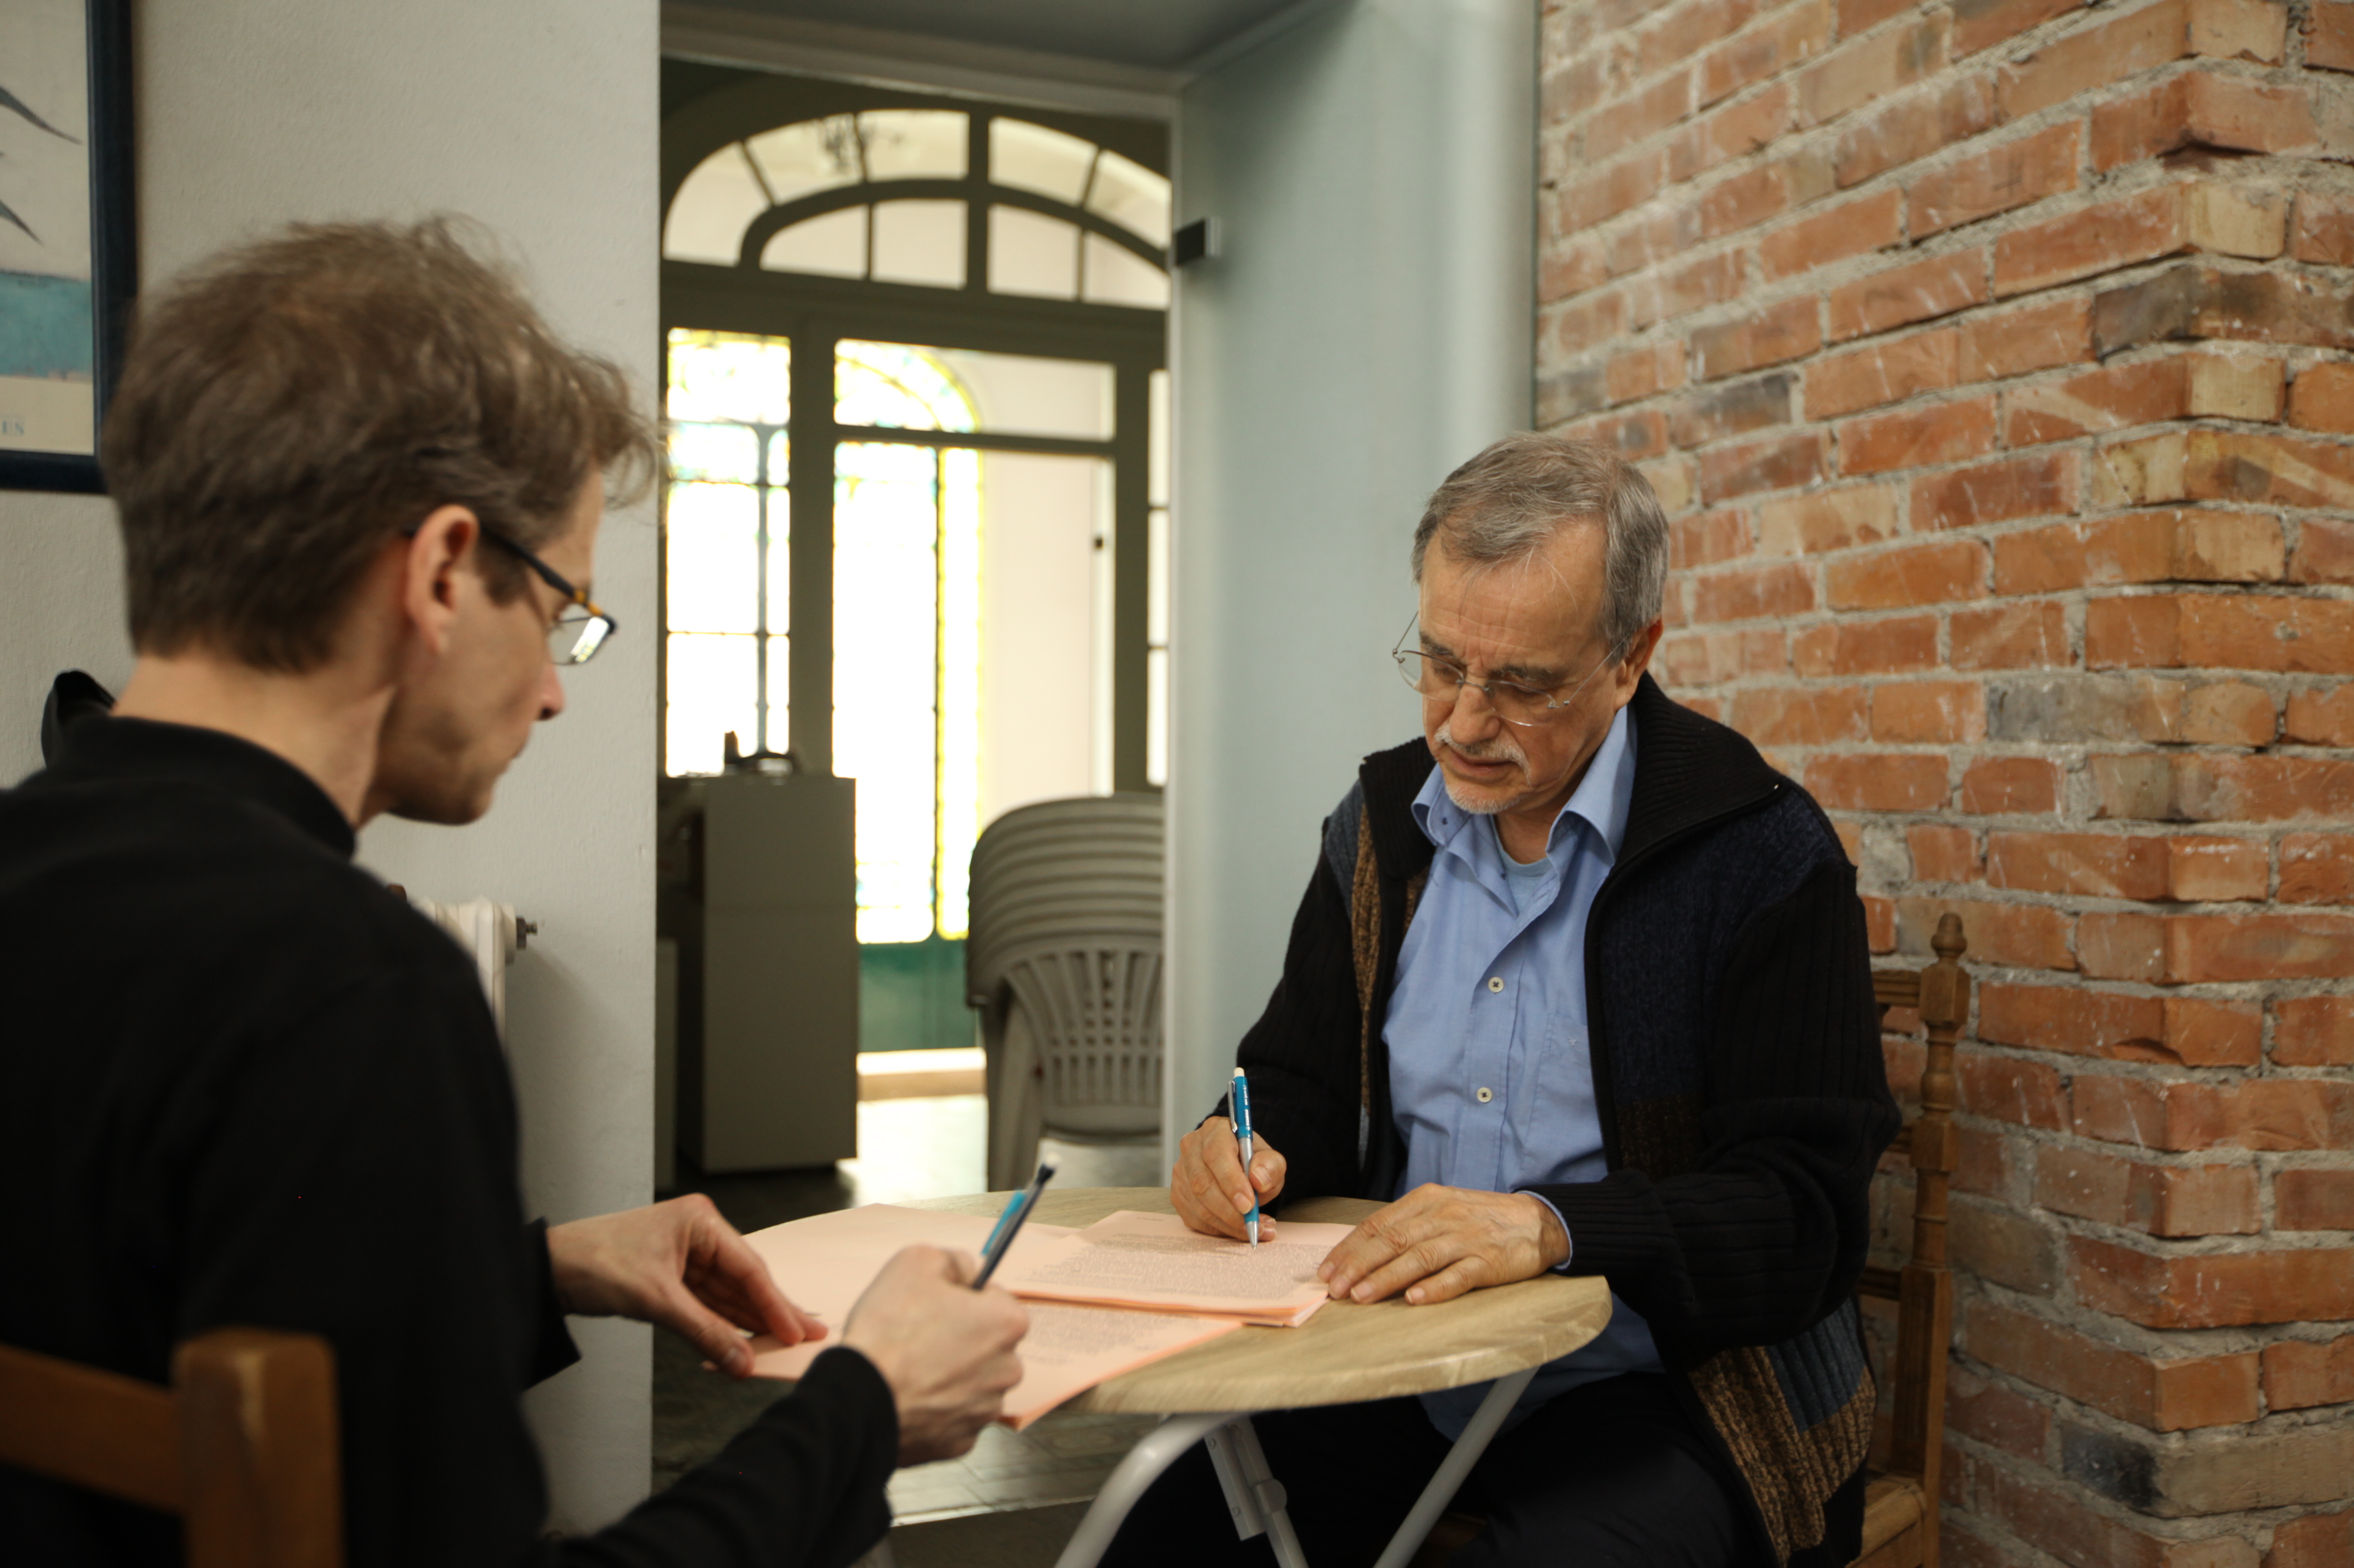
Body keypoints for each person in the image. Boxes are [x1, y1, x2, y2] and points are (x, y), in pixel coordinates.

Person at [0, 219, 1028, 1568]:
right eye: (556, 615)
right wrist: (867, 1408)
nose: (551, 691)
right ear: (440, 573)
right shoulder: (350, 988)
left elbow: (133, 1314)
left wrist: (530, 1268)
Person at [1117, 435, 1898, 1568]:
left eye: (1524, 684)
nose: (1462, 723)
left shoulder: (1760, 855)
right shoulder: (1381, 826)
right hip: (1395, 1357)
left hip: (1658, 1388)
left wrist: (1553, 1226)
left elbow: (1802, 1217)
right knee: (1163, 1529)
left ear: (1632, 657)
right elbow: (1296, 1080)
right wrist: (1238, 1145)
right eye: (1441, 662)